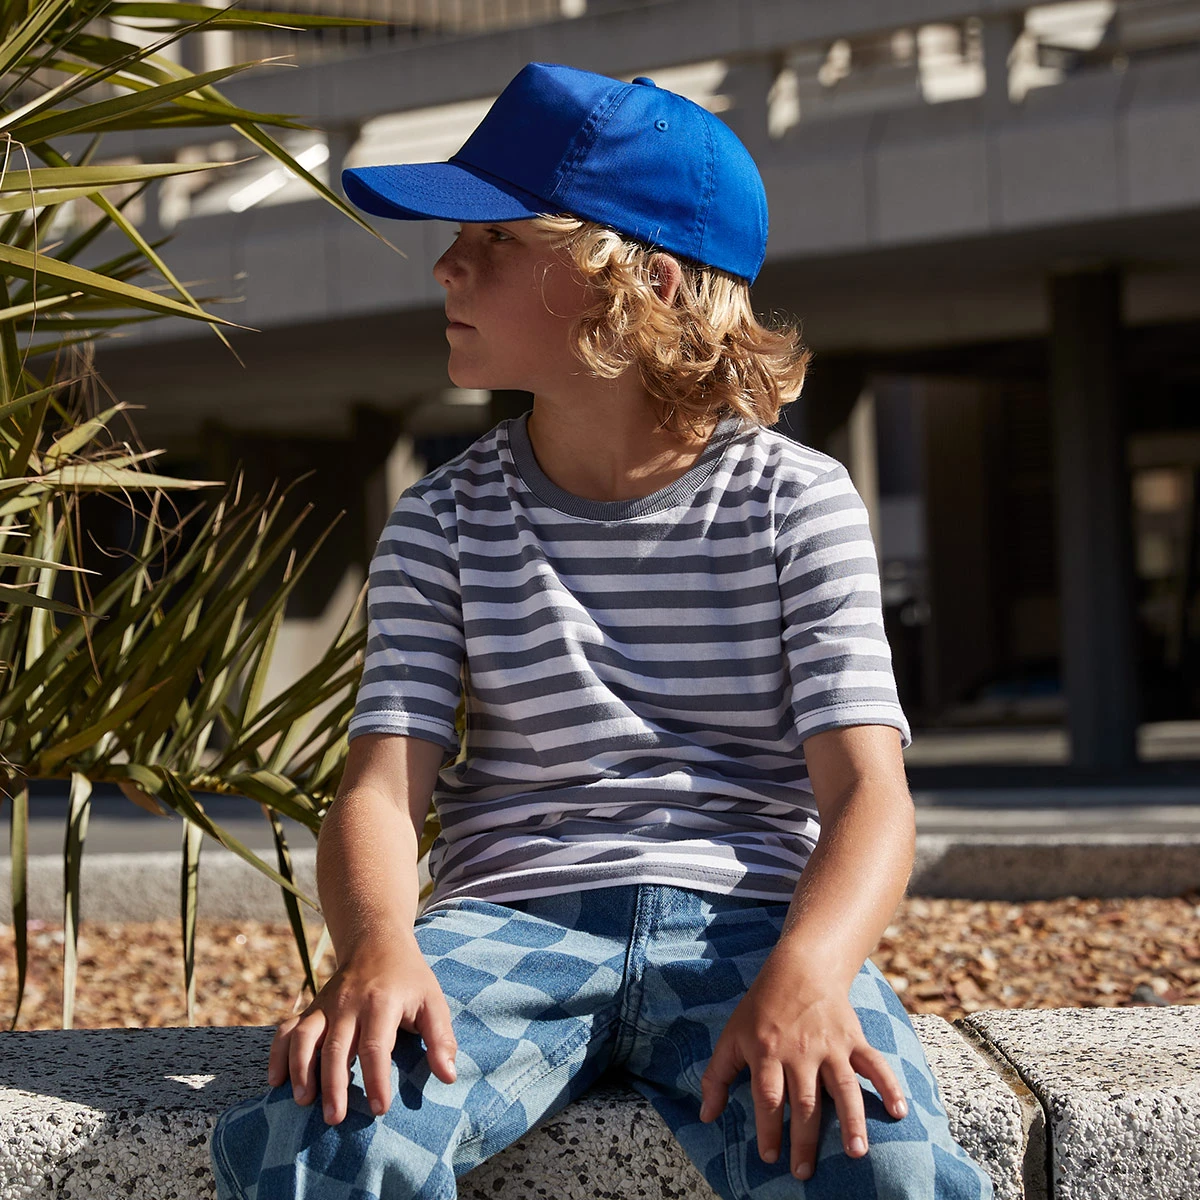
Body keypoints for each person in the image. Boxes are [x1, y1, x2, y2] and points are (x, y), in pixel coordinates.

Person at [210, 62, 993, 1200]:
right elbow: (379, 791)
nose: (447, 265)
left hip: (755, 925)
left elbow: (871, 794)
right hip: (504, 921)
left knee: (889, 1163)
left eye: (496, 238)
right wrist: (377, 946)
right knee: (327, 1133)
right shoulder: (442, 517)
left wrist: (816, 971)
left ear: (646, 284)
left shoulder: (797, 501)